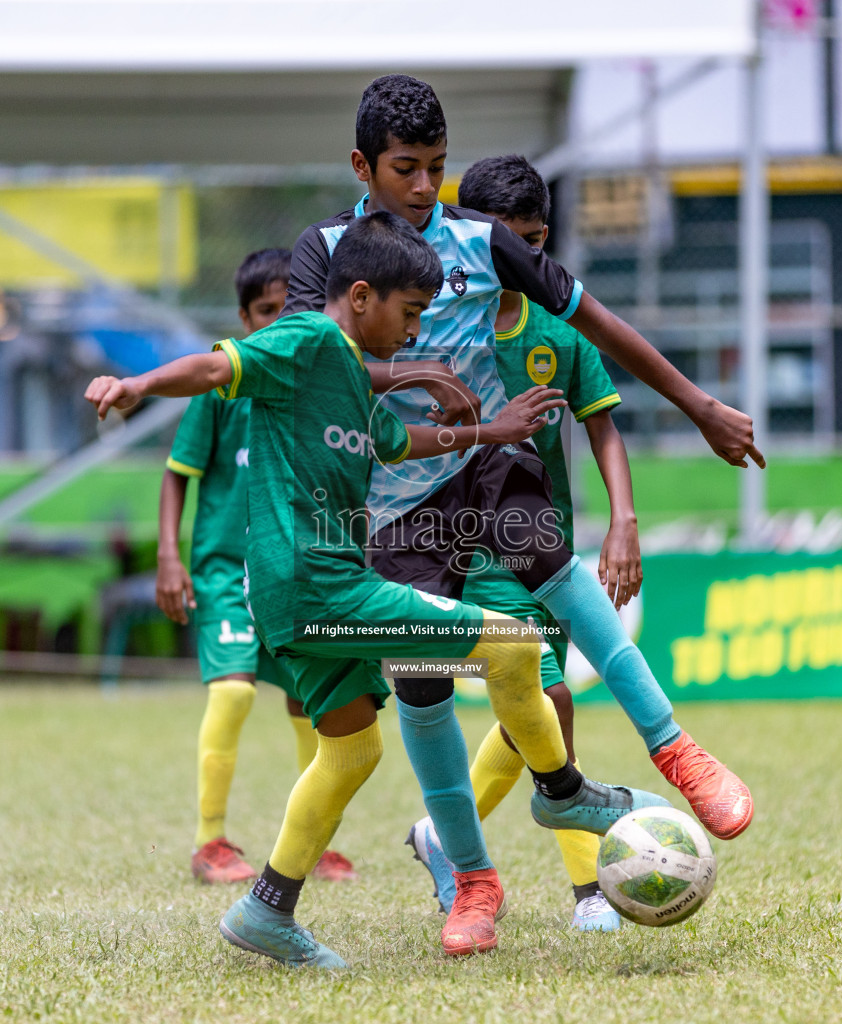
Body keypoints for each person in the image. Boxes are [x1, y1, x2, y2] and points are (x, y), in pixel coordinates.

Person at [85, 212, 668, 967]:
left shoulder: (351, 376)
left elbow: (400, 444)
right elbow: (213, 369)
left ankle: (267, 910)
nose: (417, 331)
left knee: (353, 749)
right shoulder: (308, 340)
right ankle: (563, 791)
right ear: (361, 296)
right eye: (412, 313)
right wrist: (136, 384)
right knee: (515, 645)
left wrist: (489, 434)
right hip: (322, 584)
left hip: (300, 597)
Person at [283, 76, 761, 902]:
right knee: (423, 680)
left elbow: (597, 320)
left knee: (562, 582)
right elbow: (309, 359)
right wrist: (413, 372)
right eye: (406, 169)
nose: (426, 188)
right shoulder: (323, 251)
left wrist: (700, 405)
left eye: (437, 166)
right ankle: (472, 880)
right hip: (393, 497)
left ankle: (674, 747)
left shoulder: (480, 237)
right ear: (362, 166)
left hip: (490, 467)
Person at [406, 154, 643, 933]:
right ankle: (586, 889)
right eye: (503, 244)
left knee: (530, 712)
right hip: (462, 547)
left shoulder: (558, 330)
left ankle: (442, 835)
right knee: (549, 698)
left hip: (543, 543)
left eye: (533, 243)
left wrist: (623, 521)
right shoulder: (431, 326)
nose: (517, 261)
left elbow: (602, 426)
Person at [158, 248, 355, 885]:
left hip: (289, 573)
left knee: (312, 706)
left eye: (288, 309)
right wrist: (169, 556)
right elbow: (177, 474)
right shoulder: (221, 388)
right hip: (223, 570)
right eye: (265, 312)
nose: (277, 322)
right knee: (235, 690)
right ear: (244, 318)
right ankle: (209, 841)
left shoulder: (314, 385)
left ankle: (314, 841)